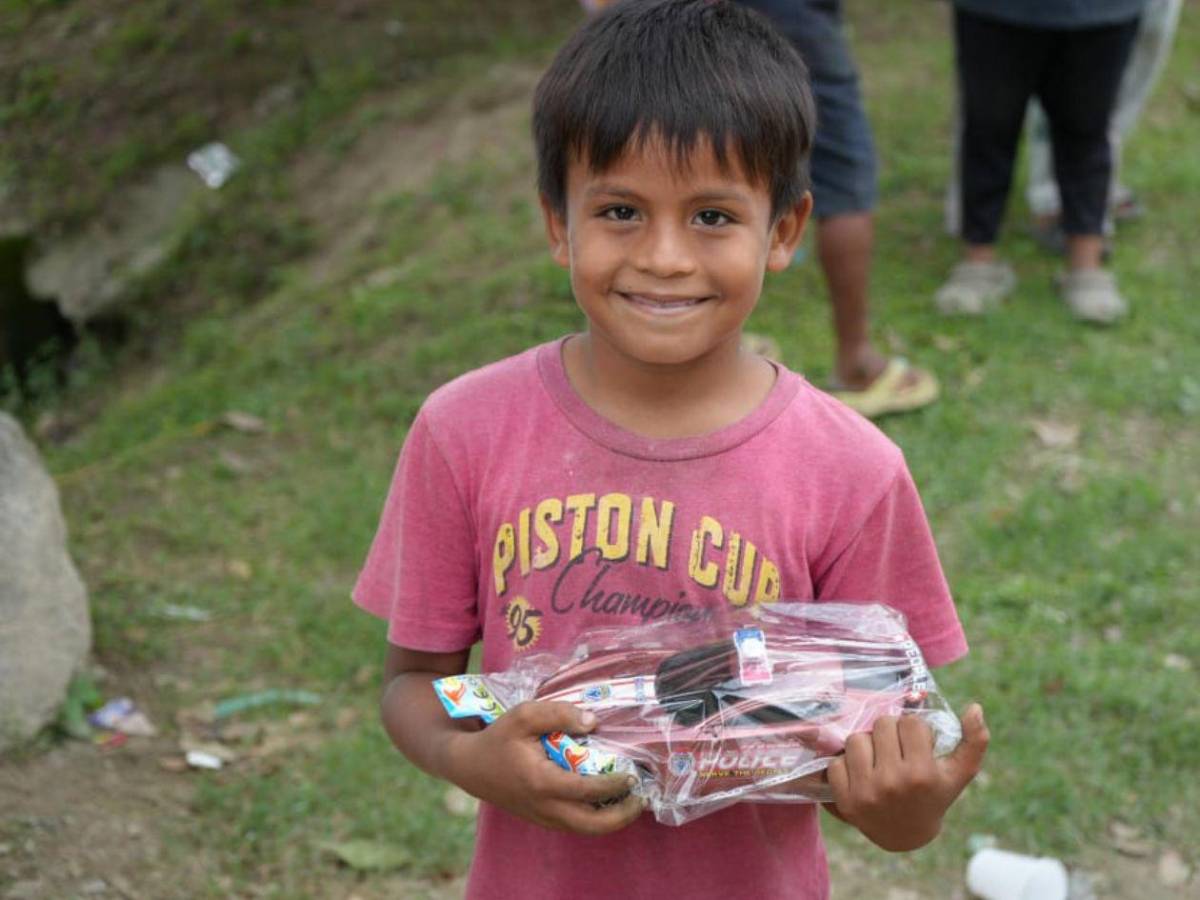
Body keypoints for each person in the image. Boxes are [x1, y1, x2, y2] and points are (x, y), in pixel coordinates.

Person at [353, 3, 988, 899]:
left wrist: (906, 810)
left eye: (712, 217)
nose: (662, 257)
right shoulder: (463, 431)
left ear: (783, 232)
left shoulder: (852, 472)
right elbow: (411, 687)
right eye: (619, 209)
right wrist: (476, 765)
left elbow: (877, 758)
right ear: (556, 223)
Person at [937, 0, 1146, 324]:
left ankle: (1086, 268)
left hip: (1104, 11)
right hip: (994, 11)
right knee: (988, 126)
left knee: (1087, 128)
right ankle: (978, 263)